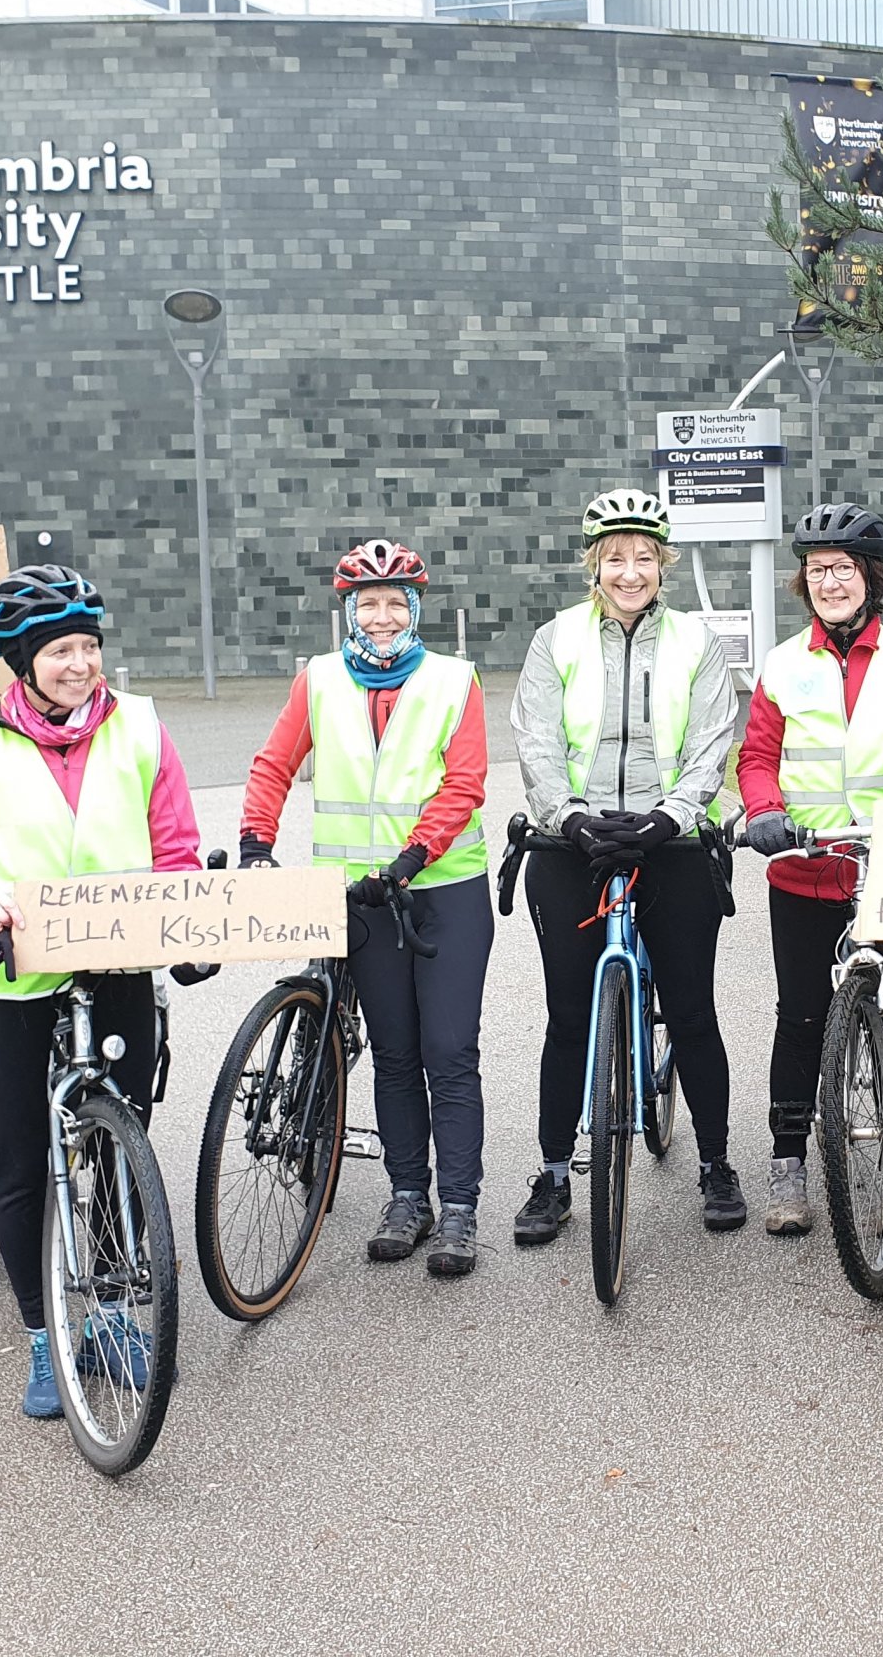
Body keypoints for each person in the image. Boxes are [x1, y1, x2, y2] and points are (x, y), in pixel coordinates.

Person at [0, 566, 202, 1418]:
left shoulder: (139, 725)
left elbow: (175, 845)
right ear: (22, 660)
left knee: (115, 1141)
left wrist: (185, 924)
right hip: (6, 976)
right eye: (61, 650)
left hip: (113, 965)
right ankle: (44, 1336)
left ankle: (109, 1313)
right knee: (21, 1157)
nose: (81, 665)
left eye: (90, 647)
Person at [239, 540, 494, 1279]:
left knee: (449, 1052)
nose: (381, 618)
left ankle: (458, 1211)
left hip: (442, 889)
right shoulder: (318, 679)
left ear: (414, 609)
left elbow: (465, 782)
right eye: (367, 605)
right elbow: (273, 764)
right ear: (348, 612)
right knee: (394, 1053)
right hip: (355, 895)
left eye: (394, 603)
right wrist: (257, 844)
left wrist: (412, 858)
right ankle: (406, 1196)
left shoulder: (454, 679)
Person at [509, 490, 743, 1243]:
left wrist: (669, 817)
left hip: (667, 842)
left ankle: (715, 1163)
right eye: (615, 558)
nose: (630, 570)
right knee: (568, 1018)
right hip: (571, 843)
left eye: (644, 557)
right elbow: (537, 740)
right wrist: (568, 818)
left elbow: (712, 740)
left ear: (663, 564)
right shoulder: (556, 639)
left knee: (695, 1011)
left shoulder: (695, 643)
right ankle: (552, 1175)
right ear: (594, 565)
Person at [735, 503, 883, 1233]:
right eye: (818, 569)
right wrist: (765, 810)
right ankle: (788, 1162)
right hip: (806, 864)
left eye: (844, 569)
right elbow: (759, 755)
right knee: (800, 1016)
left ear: (870, 578)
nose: (831, 581)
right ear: (804, 581)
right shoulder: (782, 663)